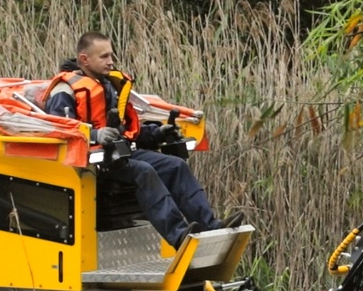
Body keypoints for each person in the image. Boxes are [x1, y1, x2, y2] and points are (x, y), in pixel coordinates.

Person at [41, 32, 242, 249]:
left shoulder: (109, 86)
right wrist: (95, 136)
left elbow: (127, 130)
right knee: (143, 171)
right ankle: (179, 236)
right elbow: (61, 130)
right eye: (104, 56)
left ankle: (211, 227)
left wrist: (157, 133)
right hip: (90, 164)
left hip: (118, 154)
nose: (111, 62)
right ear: (84, 59)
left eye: (111, 55)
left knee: (176, 166)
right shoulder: (65, 90)